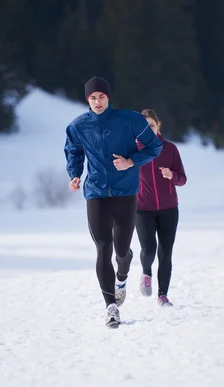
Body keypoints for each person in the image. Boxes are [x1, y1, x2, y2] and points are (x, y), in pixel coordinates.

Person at [64, 77, 163, 328]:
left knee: (121, 251)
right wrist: (75, 174)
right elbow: (73, 151)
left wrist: (132, 162)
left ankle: (122, 276)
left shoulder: (130, 120)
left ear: (109, 98)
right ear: (88, 100)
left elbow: (155, 146)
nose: (97, 102)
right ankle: (110, 307)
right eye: (93, 98)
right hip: (95, 192)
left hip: (125, 191)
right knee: (103, 246)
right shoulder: (78, 126)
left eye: (102, 97)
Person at [135, 109, 187, 307]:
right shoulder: (132, 151)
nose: (148, 129)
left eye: (152, 125)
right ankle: (146, 273)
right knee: (149, 249)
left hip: (169, 209)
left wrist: (171, 176)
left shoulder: (170, 149)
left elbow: (182, 179)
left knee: (166, 252)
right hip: (142, 209)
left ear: (158, 126)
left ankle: (162, 295)